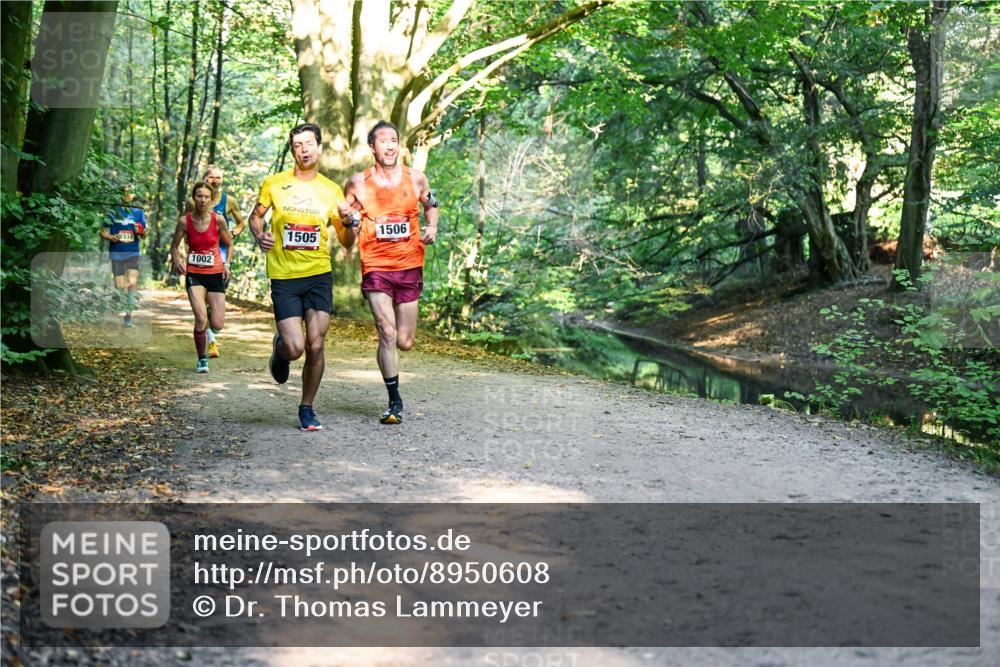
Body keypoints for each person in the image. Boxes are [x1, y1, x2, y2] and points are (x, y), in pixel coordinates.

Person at [248, 123, 355, 431]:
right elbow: (256, 217)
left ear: (319, 148)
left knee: (316, 345)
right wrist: (260, 236)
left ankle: (306, 407)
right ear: (292, 151)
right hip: (284, 276)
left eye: (309, 143)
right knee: (295, 347)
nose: (304, 149)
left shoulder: (331, 190)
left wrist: (350, 224)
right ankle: (281, 349)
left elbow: (346, 241)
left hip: (319, 274)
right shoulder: (274, 184)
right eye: (297, 145)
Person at [342, 120, 439, 425]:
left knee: (404, 341)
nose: (389, 145)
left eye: (394, 140)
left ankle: (389, 354)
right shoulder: (358, 182)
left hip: (409, 265)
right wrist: (349, 221)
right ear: (372, 147)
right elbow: (346, 223)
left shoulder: (416, 178)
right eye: (383, 141)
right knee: (387, 332)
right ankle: (394, 400)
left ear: (399, 145)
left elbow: (432, 202)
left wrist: (432, 226)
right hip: (376, 267)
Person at [170, 182, 233, 373]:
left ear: (211, 200)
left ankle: (209, 326)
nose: (202, 200)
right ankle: (202, 359)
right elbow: (174, 246)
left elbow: (230, 245)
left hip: (215, 273)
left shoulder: (218, 220)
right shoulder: (184, 221)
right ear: (193, 198)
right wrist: (177, 261)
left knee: (218, 324)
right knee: (200, 317)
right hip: (195, 274)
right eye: (199, 196)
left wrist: (227, 264)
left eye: (206, 196)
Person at [185, 165, 246, 358]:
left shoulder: (229, 200)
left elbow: (241, 223)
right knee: (201, 304)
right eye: (212, 177)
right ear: (205, 179)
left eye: (219, 178)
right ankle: (208, 337)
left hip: (221, 252)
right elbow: (186, 222)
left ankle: (211, 329)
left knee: (216, 305)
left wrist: (232, 234)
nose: (215, 181)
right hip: (200, 253)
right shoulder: (194, 201)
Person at [99, 184, 146, 327]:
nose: (127, 195)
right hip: (117, 252)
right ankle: (118, 298)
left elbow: (144, 235)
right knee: (119, 286)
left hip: (132, 252)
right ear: (120, 194)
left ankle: (128, 315)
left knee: (132, 283)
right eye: (125, 192)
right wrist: (111, 237)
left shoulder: (138, 212)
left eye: (130, 192)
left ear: (134, 195)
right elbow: (102, 231)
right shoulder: (112, 211)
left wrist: (140, 232)